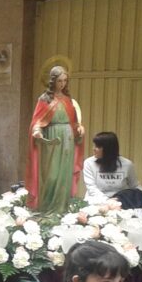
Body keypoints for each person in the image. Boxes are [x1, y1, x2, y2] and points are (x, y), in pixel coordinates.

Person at [26, 66, 86, 212]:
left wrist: (79, 129)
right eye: (59, 81)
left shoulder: (68, 100)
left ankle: (61, 208)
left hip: (68, 139)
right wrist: (37, 130)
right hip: (51, 139)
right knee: (51, 175)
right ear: (53, 81)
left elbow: (74, 122)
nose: (62, 84)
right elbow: (37, 121)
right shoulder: (45, 99)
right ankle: (46, 208)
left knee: (64, 175)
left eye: (65, 81)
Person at [82, 131, 142, 208]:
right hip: (96, 203)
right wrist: (108, 201)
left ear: (108, 149)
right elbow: (92, 188)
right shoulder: (89, 163)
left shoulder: (127, 164)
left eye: (98, 147)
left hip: (121, 203)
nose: (93, 149)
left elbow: (135, 185)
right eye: (94, 146)